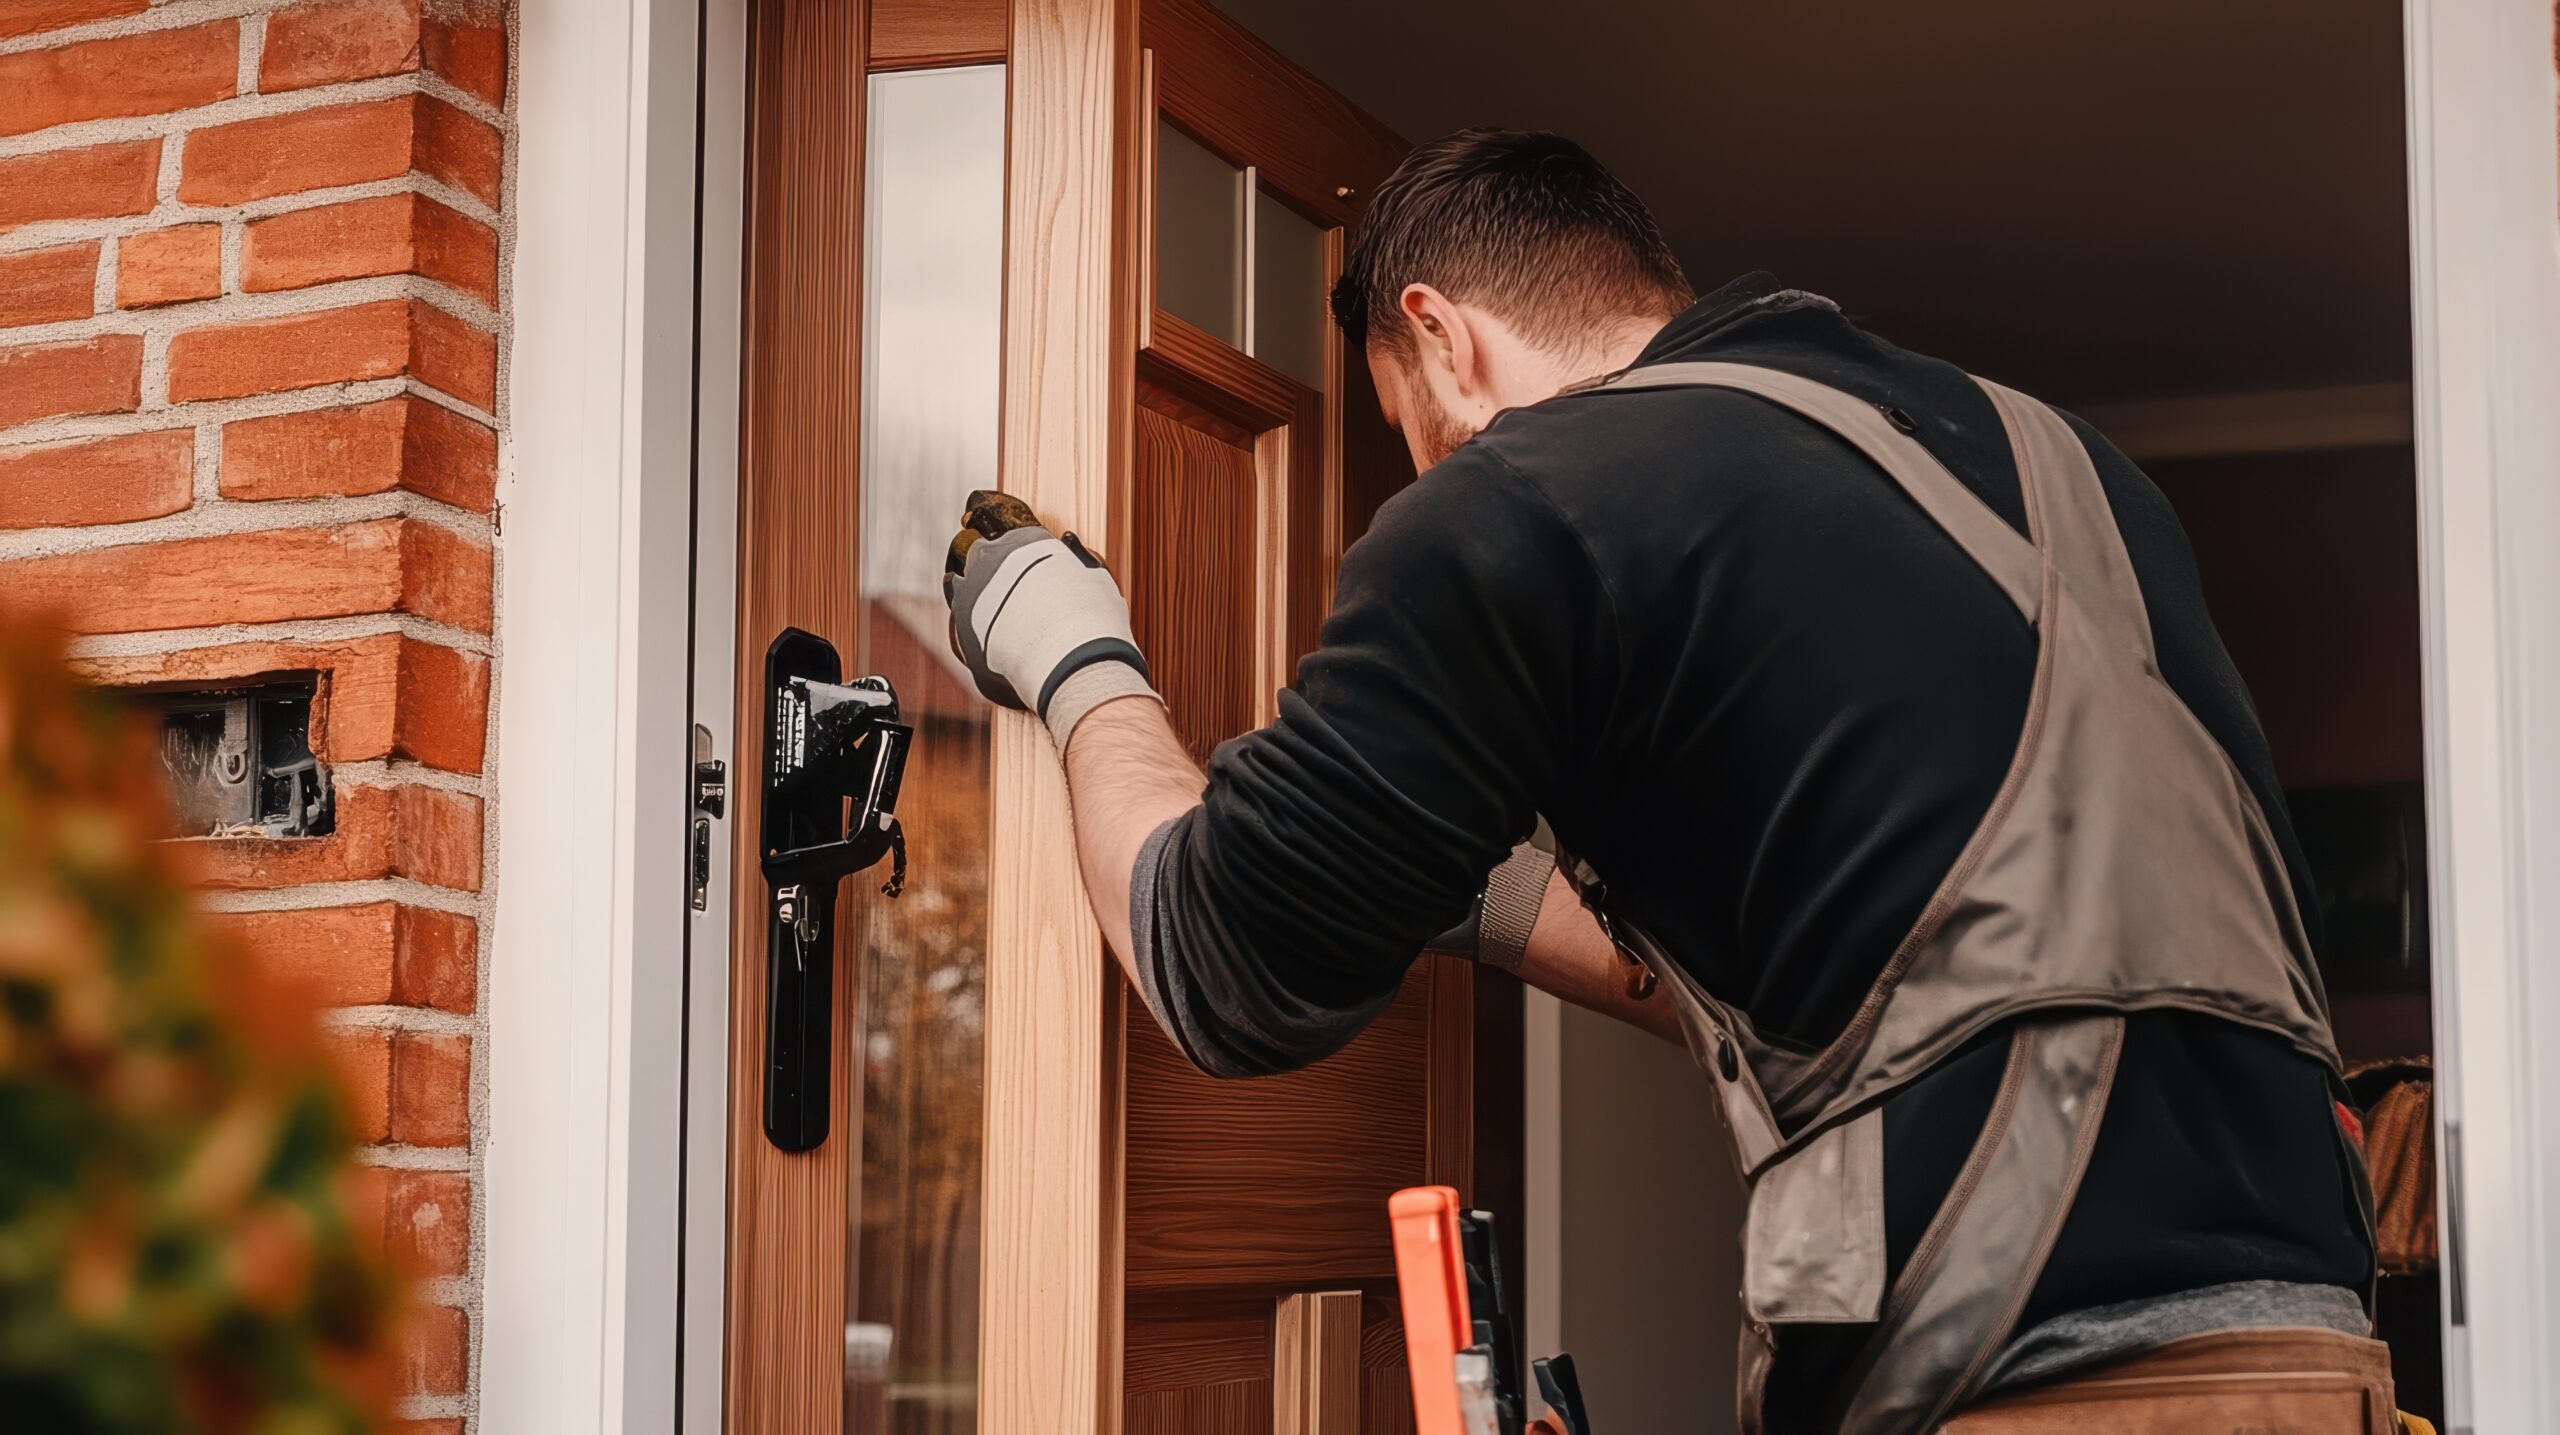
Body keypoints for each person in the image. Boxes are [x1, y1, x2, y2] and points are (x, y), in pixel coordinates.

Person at [940, 129, 2383, 1433]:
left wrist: (1078, 662)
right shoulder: (2061, 462)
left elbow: (1218, 962)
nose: (1429, 470)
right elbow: (1913, 951)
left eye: (1412, 432)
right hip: (2316, 1361)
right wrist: (1458, 883)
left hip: (2021, 1391)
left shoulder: (1515, 503)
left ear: (1442, 341)